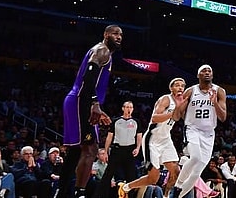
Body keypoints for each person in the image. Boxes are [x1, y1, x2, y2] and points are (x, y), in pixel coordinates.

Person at [60, 25, 123, 198]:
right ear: (105, 35)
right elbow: (88, 78)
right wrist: (94, 104)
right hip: (81, 100)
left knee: (76, 151)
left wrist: (96, 105)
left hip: (83, 101)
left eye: (121, 35)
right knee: (91, 149)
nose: (119, 37)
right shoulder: (101, 50)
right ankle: (79, 193)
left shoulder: (105, 53)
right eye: (115, 34)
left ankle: (62, 191)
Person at [119, 78, 187, 198]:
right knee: (153, 179)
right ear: (171, 88)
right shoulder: (166, 99)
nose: (180, 87)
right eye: (177, 85)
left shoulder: (181, 103)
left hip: (166, 139)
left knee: (176, 171)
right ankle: (126, 187)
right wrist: (173, 113)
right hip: (152, 139)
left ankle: (166, 195)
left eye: (182, 86)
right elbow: (155, 118)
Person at [168, 65, 227, 198]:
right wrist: (180, 107)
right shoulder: (190, 91)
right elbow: (177, 115)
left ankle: (178, 195)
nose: (207, 73)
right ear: (198, 75)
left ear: (212, 75)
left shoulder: (219, 91)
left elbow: (223, 117)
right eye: (203, 71)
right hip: (192, 129)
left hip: (209, 133)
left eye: (209, 71)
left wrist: (214, 102)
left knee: (198, 170)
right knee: (195, 157)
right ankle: (178, 185)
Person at [100, 101, 142, 198]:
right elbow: (109, 137)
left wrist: (138, 147)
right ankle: (100, 195)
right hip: (117, 149)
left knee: (131, 176)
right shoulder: (116, 121)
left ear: (133, 109)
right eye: (127, 107)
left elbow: (139, 136)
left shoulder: (136, 122)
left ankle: (130, 196)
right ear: (123, 108)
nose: (128, 109)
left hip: (130, 150)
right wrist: (106, 151)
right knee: (108, 175)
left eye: (130, 107)